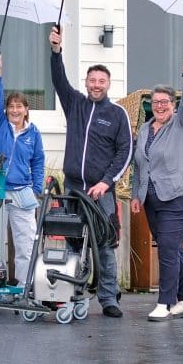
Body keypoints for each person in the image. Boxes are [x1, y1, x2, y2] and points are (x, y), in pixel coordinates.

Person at [49, 25, 133, 318]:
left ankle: (109, 298)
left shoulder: (117, 114)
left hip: (101, 193)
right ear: (86, 82)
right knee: (73, 243)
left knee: (105, 246)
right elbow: (58, 79)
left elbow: (125, 152)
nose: (96, 84)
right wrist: (56, 51)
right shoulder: (75, 103)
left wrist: (106, 183)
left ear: (108, 84)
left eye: (101, 81)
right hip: (73, 189)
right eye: (92, 80)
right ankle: (71, 291)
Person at [131, 58, 183, 322]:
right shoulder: (145, 129)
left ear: (173, 105)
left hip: (180, 198)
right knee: (174, 249)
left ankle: (166, 302)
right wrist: (137, 194)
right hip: (152, 200)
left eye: (165, 102)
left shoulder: (181, 124)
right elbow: (139, 165)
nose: (159, 106)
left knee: (168, 249)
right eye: (155, 102)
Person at [0, 54, 45, 289]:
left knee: (26, 243)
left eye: (19, 106)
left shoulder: (34, 133)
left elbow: (38, 162)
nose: (15, 110)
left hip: (22, 193)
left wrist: (37, 188)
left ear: (26, 110)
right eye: (11, 106)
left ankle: (23, 286)